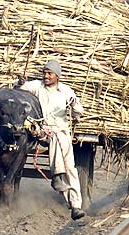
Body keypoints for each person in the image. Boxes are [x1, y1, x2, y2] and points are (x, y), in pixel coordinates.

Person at [15, 59, 86, 220]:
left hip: (61, 132)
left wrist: (74, 104)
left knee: (70, 167)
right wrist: (19, 83)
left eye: (49, 74)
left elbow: (78, 113)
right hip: (40, 130)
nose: (46, 76)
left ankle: (75, 205)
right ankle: (57, 176)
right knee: (53, 138)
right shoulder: (37, 86)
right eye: (44, 73)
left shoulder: (66, 91)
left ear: (57, 76)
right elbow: (20, 90)